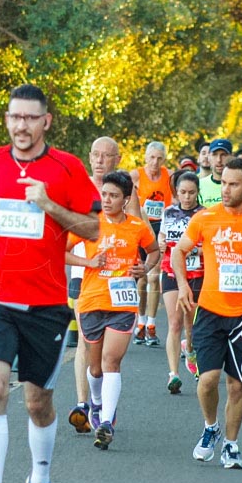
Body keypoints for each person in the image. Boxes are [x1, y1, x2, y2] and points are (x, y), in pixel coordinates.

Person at [0, 84, 100, 483]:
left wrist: (48, 204)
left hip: (47, 303)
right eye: (14, 117)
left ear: (46, 121)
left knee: (38, 403)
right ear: (7, 120)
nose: (21, 125)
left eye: (29, 118)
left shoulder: (68, 168)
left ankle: (40, 481)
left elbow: (93, 227)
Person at [173, 157, 242, 470]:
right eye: (223, 182)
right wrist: (183, 286)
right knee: (207, 381)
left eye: (233, 184)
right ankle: (211, 427)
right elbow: (179, 251)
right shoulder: (205, 218)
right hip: (209, 310)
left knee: (237, 385)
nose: (226, 189)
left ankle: (232, 446)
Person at [67, 171, 158, 449]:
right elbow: (60, 249)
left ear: (126, 199)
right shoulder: (88, 223)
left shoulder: (137, 227)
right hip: (92, 300)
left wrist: (146, 267)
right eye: (104, 194)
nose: (106, 200)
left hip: (122, 303)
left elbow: (154, 251)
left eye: (114, 196)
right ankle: (95, 403)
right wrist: (88, 262)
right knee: (95, 368)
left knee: (111, 361)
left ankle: (106, 423)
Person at [68, 136, 121, 434]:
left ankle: (105, 404)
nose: (100, 160)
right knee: (86, 343)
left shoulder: (125, 190)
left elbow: (137, 228)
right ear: (89, 157)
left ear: (117, 159)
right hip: (83, 274)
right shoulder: (77, 188)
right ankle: (83, 403)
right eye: (96, 155)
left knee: (108, 353)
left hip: (117, 280)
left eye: (107, 155)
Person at [159, 170, 204, 392]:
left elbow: (211, 245)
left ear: (198, 193)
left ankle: (192, 350)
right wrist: (161, 243)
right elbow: (162, 236)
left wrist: (197, 248)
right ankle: (173, 374)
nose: (187, 197)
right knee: (174, 323)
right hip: (170, 272)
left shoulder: (204, 215)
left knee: (192, 325)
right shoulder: (169, 212)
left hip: (197, 273)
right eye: (183, 192)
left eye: (191, 193)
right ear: (176, 192)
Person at [130, 141, 171, 346]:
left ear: (164, 160)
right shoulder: (135, 175)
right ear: (145, 157)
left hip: (160, 229)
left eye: (159, 158)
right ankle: (141, 322)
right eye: (152, 157)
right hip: (140, 229)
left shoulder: (169, 176)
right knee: (142, 279)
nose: (155, 162)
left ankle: (152, 325)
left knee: (154, 278)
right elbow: (129, 204)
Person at [198, 138, 232, 207]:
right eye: (215, 155)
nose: (219, 160)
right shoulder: (199, 185)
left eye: (223, 155)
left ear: (231, 157)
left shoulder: (241, 186)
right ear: (209, 157)